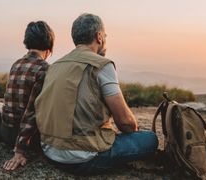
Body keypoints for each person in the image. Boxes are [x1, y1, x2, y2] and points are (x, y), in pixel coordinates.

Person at [35, 13, 158, 175]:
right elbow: (126, 124)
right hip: (84, 157)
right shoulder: (101, 65)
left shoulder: (55, 66)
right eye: (105, 35)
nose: (105, 39)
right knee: (150, 139)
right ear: (99, 36)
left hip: (50, 150)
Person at [0, 21, 55, 171]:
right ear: (49, 45)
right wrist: (19, 151)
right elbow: (32, 112)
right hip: (28, 140)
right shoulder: (44, 69)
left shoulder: (16, 64)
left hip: (5, 132)